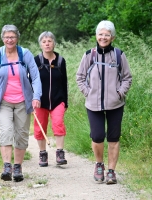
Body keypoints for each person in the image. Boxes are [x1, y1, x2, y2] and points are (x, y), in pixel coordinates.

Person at [0, 24, 42, 182]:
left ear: (17, 38)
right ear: (2, 38)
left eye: (12, 37)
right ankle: (7, 166)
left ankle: (18, 167)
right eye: (7, 37)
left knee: (21, 135)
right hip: (4, 102)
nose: (9, 40)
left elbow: (35, 77)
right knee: (6, 131)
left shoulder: (25, 54)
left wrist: (36, 96)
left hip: (23, 101)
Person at [76, 20, 132, 184]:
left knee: (114, 138)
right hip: (93, 104)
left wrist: (120, 93)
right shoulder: (89, 55)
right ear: (96, 36)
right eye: (101, 34)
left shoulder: (119, 55)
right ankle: (99, 164)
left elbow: (127, 77)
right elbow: (79, 77)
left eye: (107, 34)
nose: (103, 37)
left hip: (115, 104)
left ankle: (112, 172)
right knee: (98, 136)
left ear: (112, 37)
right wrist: (88, 92)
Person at [33, 31, 68, 167]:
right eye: (44, 41)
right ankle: (43, 154)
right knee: (39, 127)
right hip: (40, 101)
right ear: (41, 44)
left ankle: (60, 153)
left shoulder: (60, 61)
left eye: (49, 41)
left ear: (54, 43)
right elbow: (30, 81)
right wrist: (32, 99)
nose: (47, 44)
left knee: (58, 123)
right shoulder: (36, 61)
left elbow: (64, 82)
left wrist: (65, 102)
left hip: (58, 100)